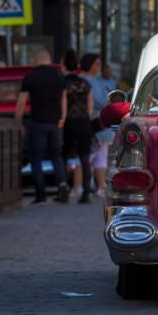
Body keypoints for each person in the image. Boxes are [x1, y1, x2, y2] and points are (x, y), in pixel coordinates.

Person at [14, 48, 68, 204]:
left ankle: (41, 194)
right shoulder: (59, 77)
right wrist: (62, 119)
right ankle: (62, 184)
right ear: (49, 61)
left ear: (36, 60)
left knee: (35, 158)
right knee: (56, 156)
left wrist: (18, 122)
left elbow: (21, 103)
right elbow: (64, 99)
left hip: (38, 123)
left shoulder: (31, 77)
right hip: (56, 123)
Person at [62, 50, 94, 203]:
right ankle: (86, 192)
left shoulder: (63, 83)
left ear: (64, 65)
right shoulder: (85, 84)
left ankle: (63, 191)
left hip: (68, 122)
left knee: (64, 157)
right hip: (84, 123)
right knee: (84, 158)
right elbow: (90, 108)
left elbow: (62, 104)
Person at [80, 53, 110, 197]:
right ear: (90, 64)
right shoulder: (88, 80)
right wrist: (108, 102)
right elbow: (101, 100)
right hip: (93, 123)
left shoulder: (95, 80)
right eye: (97, 63)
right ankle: (91, 185)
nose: (99, 66)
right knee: (92, 155)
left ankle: (99, 186)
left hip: (98, 123)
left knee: (99, 155)